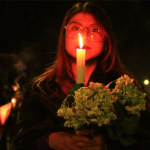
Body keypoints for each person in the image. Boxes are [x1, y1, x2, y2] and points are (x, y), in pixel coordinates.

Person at [11, 1, 150, 150]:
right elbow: (20, 143)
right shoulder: (42, 90)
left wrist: (109, 144)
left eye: (95, 29)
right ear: (64, 34)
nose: (83, 34)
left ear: (106, 39)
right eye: (76, 28)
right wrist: (49, 140)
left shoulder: (125, 88)